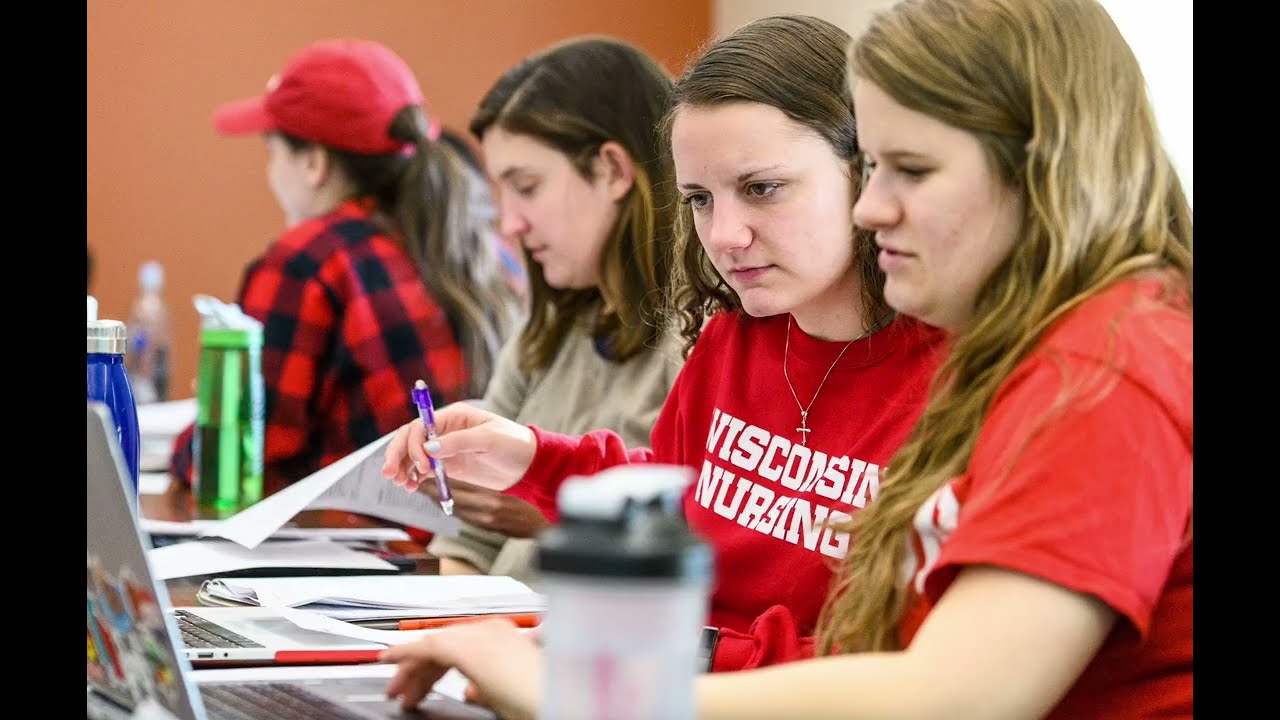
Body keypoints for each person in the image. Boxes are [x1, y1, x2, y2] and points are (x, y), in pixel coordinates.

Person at [379, 0, 1194, 717]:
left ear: (1043, 165)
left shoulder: (1103, 367)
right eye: (876, 169)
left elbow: (950, 693)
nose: (874, 208)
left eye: (906, 170)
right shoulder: (1046, 344)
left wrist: (594, 692)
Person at [383, 15, 945, 671]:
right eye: (700, 199)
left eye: (763, 189)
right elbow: (676, 495)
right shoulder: (733, 338)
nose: (726, 234)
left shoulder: (950, 377)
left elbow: (905, 660)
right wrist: (529, 457)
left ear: (865, 174)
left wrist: (673, 651)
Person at [170, 38, 523, 498]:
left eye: (272, 153)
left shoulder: (307, 261)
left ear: (315, 163)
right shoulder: (487, 250)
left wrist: (208, 416)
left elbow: (234, 459)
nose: (270, 173)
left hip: (356, 548)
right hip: (469, 551)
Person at [417, 37, 688, 587]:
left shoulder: (702, 334)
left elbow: (709, 538)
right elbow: (468, 540)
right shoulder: (549, 326)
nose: (510, 223)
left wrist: (548, 514)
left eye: (527, 187)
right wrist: (456, 639)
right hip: (501, 640)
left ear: (613, 171)